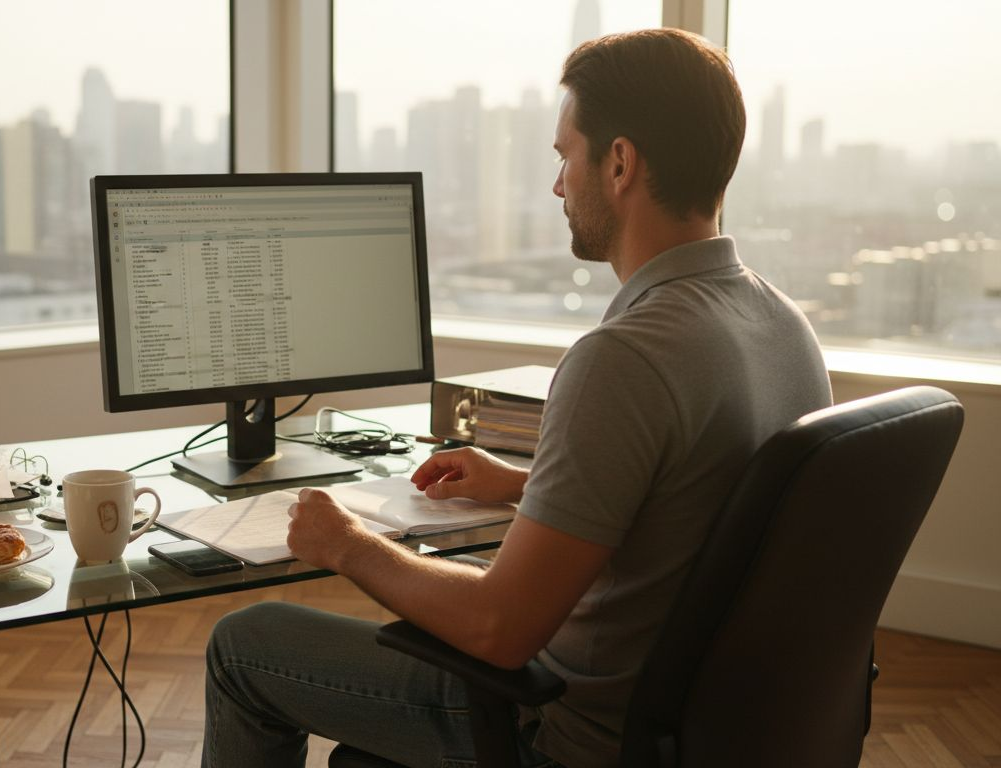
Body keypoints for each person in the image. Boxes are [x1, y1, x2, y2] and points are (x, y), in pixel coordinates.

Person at [203, 28, 832, 768]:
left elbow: (499, 629)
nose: (559, 185)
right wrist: (526, 485)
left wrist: (345, 542)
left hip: (567, 731)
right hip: (713, 730)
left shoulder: (623, 357)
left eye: (565, 155)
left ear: (620, 163)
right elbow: (697, 510)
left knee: (245, 643)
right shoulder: (784, 325)